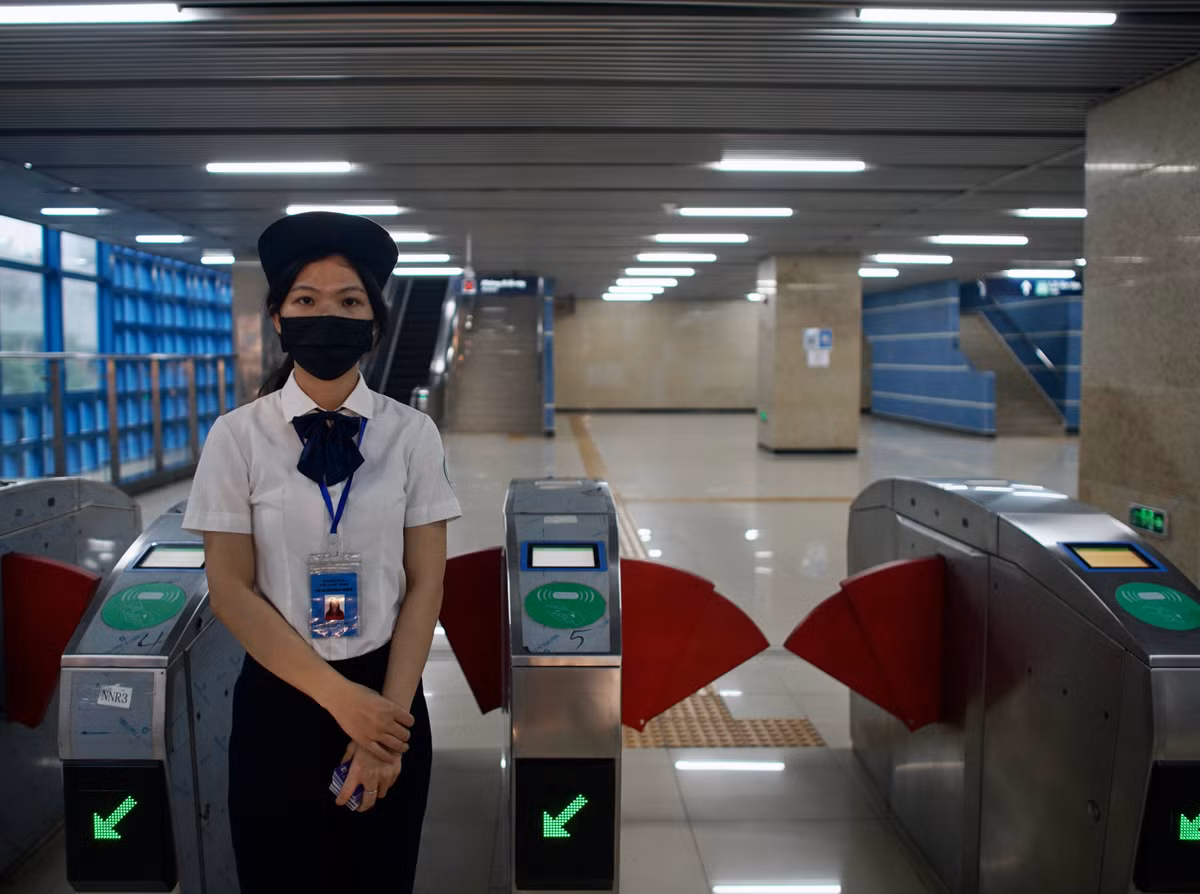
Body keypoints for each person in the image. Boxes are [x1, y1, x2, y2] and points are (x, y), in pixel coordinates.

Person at [182, 211, 461, 893]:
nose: (326, 316)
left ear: (374, 322)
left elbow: (426, 583)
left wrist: (381, 727)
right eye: (305, 301)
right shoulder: (237, 437)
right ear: (278, 318)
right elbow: (230, 590)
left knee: (380, 875)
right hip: (280, 699)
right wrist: (342, 703)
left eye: (349, 302)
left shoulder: (411, 434)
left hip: (390, 694)